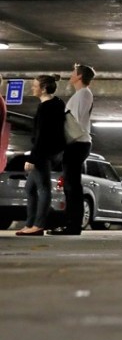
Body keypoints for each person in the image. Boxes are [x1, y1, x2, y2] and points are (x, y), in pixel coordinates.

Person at [50, 63, 95, 236]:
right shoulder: (80, 94)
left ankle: (73, 224)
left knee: (72, 185)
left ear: (79, 76)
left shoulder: (83, 94)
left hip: (78, 142)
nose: (70, 74)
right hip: (78, 142)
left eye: (73, 72)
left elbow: (72, 121)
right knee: (70, 184)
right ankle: (71, 223)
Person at [17, 75, 65, 236]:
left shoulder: (45, 108)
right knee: (30, 188)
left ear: (43, 89)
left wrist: (32, 158)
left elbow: (42, 136)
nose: (33, 88)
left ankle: (38, 225)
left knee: (43, 189)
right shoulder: (57, 103)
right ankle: (30, 223)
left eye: (35, 85)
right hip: (51, 152)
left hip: (43, 154)